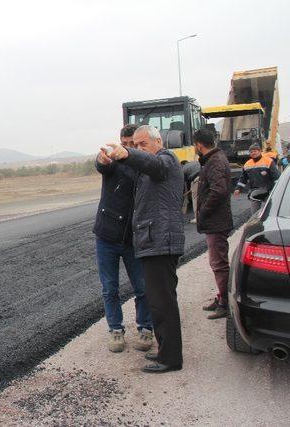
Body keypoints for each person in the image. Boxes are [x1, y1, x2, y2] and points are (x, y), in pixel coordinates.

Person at [102, 125, 184, 374]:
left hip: (161, 242)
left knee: (163, 303)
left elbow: (153, 166)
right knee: (158, 303)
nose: (138, 148)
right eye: (134, 145)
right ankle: (166, 351)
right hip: (153, 242)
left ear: (158, 141)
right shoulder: (149, 164)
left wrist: (127, 154)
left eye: (142, 144)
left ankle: (171, 358)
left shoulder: (166, 159)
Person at [93, 123, 153, 353]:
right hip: (107, 236)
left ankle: (145, 328)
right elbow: (101, 164)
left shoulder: (144, 166)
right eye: (124, 144)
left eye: (133, 145)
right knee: (110, 288)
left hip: (133, 239)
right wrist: (101, 159)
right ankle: (115, 331)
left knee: (142, 287)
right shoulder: (112, 163)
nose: (127, 150)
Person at [193, 129, 233, 320]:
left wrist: (202, 212)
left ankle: (225, 303)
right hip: (215, 221)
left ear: (199, 145)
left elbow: (218, 191)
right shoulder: (214, 159)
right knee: (216, 262)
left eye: (195, 145)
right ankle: (221, 296)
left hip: (217, 222)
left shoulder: (215, 161)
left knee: (219, 264)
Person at [234, 143, 280, 214]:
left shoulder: (268, 161)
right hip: (255, 192)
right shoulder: (247, 164)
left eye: (255, 151)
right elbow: (243, 178)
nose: (253, 153)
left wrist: (278, 190)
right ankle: (256, 223)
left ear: (259, 151)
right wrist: (238, 188)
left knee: (270, 212)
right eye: (251, 152)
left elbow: (276, 176)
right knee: (254, 214)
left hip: (268, 191)